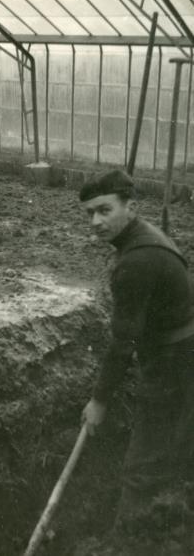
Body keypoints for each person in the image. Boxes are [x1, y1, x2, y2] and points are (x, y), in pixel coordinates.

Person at [79, 169, 194, 524]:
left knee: (143, 459)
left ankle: (127, 538)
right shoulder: (145, 238)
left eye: (104, 210)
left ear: (130, 206)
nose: (96, 221)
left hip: (174, 359)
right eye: (90, 213)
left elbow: (122, 342)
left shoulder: (135, 262)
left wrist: (99, 401)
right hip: (181, 348)